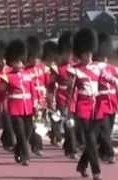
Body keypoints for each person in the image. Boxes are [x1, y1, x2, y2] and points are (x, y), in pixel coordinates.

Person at [69, 28, 118, 180]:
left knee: (94, 138)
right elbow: (71, 94)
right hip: (83, 107)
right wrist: (69, 114)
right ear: (80, 54)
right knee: (91, 139)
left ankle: (81, 165)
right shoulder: (74, 71)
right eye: (86, 53)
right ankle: (96, 171)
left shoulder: (98, 67)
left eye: (90, 53)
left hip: (97, 107)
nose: (89, 56)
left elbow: (107, 77)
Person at [0, 39, 36, 166]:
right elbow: (2, 92)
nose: (18, 64)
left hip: (28, 107)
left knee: (28, 131)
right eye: (16, 61)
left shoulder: (28, 75)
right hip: (15, 107)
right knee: (20, 132)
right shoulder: (7, 76)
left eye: (20, 61)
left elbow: (33, 91)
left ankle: (17, 150)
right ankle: (26, 157)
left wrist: (36, 104)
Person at [52, 31, 79, 159]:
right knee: (69, 124)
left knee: (73, 124)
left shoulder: (77, 67)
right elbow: (51, 85)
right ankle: (72, 149)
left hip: (75, 99)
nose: (69, 55)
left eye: (71, 52)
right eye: (66, 52)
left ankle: (69, 148)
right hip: (62, 98)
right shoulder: (58, 68)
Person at [93, 32, 118, 163]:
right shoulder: (93, 68)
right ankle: (110, 153)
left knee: (109, 128)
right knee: (104, 128)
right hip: (99, 102)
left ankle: (102, 152)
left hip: (112, 101)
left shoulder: (113, 69)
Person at [24, 36, 50, 157]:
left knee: (40, 123)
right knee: (30, 124)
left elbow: (48, 83)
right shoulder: (25, 71)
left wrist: (49, 97)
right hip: (30, 100)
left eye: (37, 57)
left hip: (42, 99)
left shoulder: (44, 69)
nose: (35, 60)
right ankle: (30, 143)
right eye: (33, 57)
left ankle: (37, 146)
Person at [0, 40, 15, 151]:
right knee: (6, 120)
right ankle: (10, 141)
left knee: (9, 121)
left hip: (10, 99)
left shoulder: (10, 69)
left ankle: (8, 140)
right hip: (0, 99)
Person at [42, 40, 62, 147]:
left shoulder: (53, 67)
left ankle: (55, 136)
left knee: (55, 116)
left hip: (53, 93)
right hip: (46, 93)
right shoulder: (45, 68)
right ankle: (55, 136)